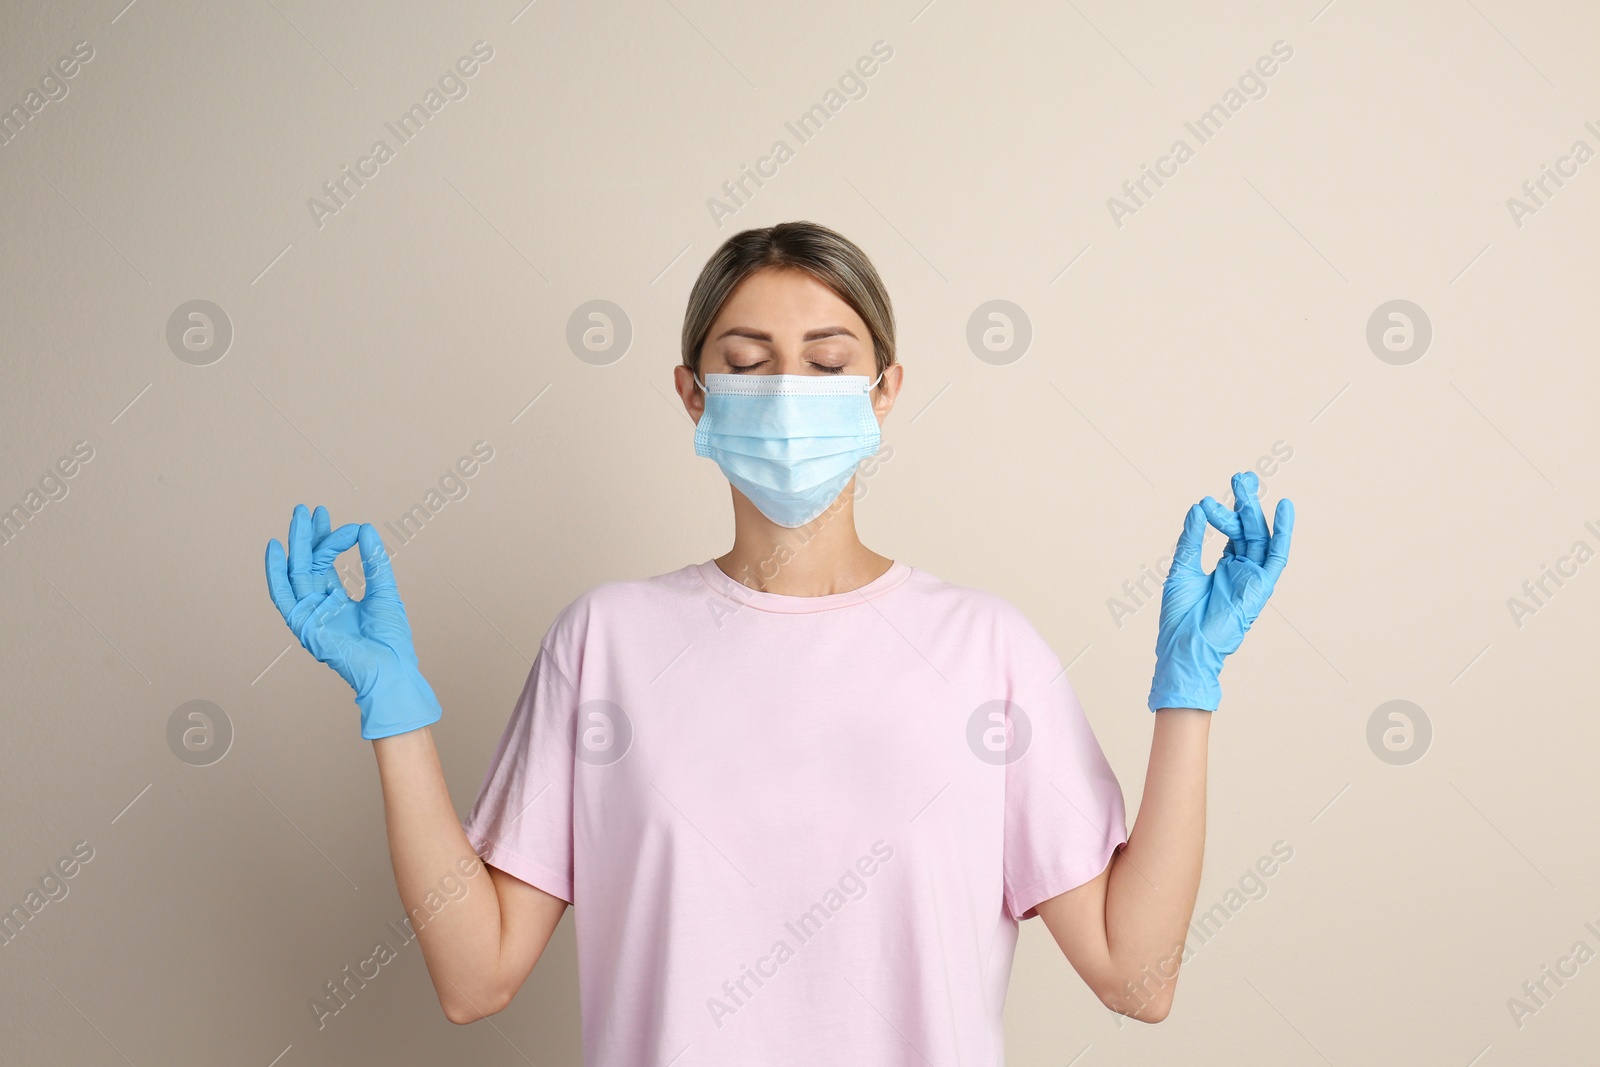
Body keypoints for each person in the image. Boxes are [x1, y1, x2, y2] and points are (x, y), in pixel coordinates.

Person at [264, 220, 1294, 1065]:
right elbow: (474, 973)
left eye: (828, 361)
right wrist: (394, 710)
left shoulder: (985, 651)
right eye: (747, 362)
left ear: (885, 391)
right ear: (691, 394)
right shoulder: (607, 645)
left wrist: (1186, 692)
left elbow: (1136, 973)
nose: (790, 391)